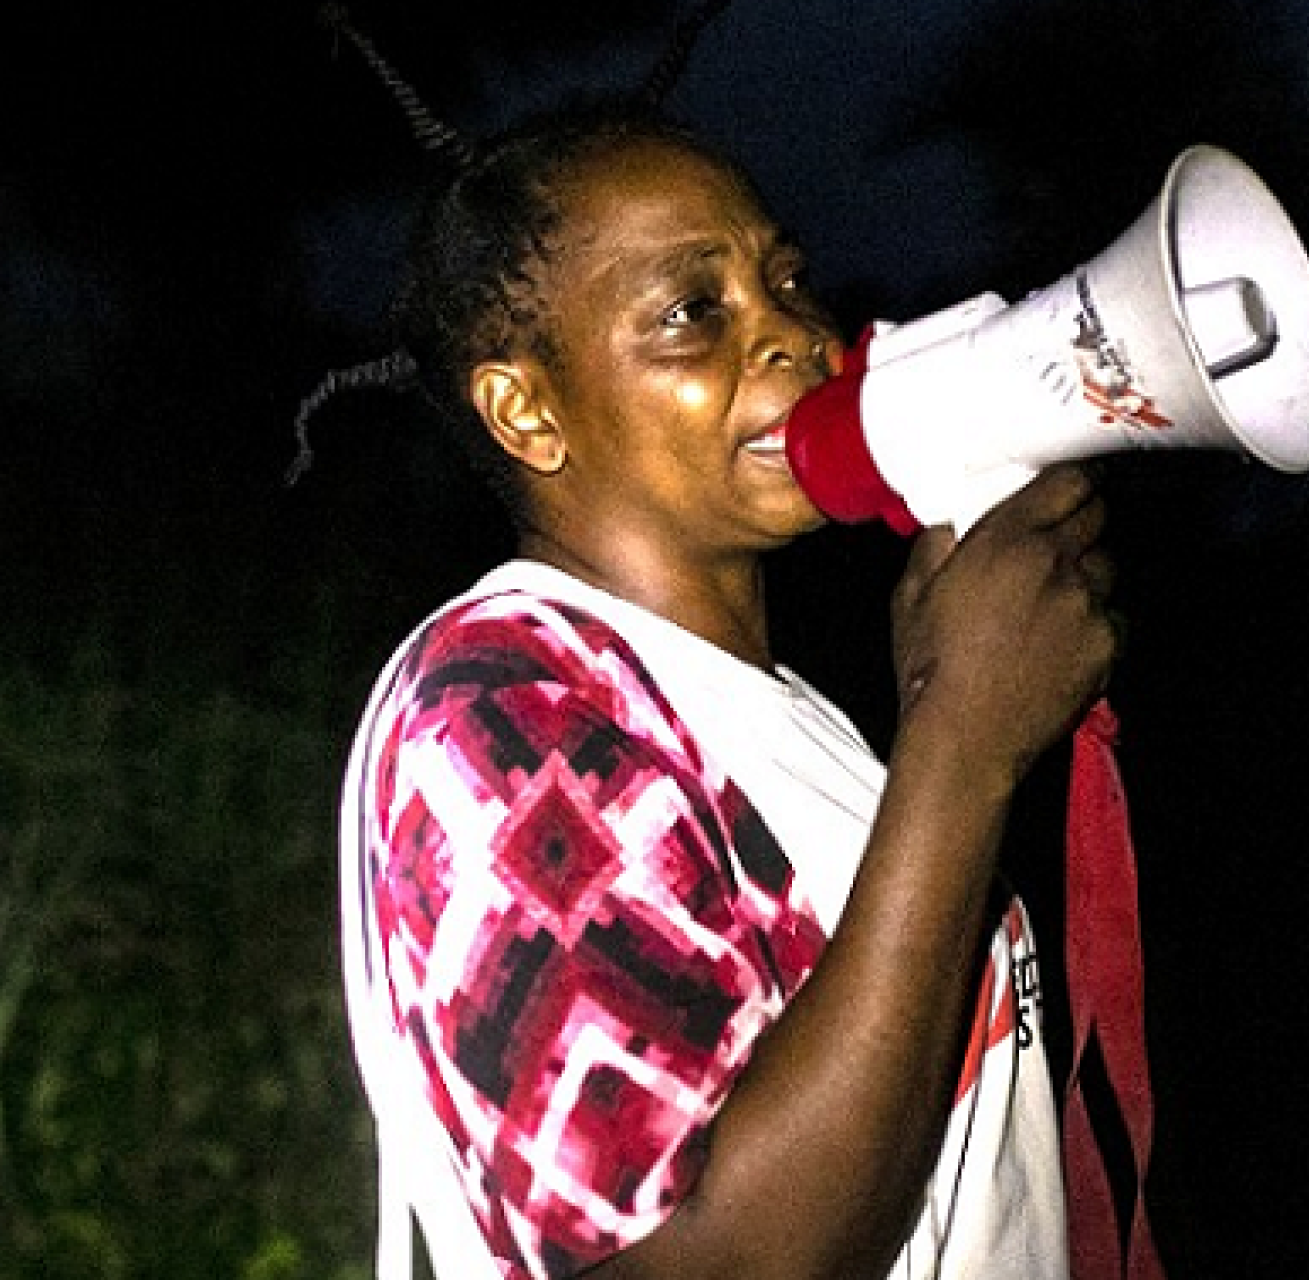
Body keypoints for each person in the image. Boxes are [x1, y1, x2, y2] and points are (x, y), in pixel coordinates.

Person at [335, 95, 1118, 1280]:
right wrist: (962, 744)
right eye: (694, 312)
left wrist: (938, 699)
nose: (795, 338)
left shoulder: (785, 715)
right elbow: (712, 1257)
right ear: (526, 408)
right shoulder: (499, 707)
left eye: (788, 281)